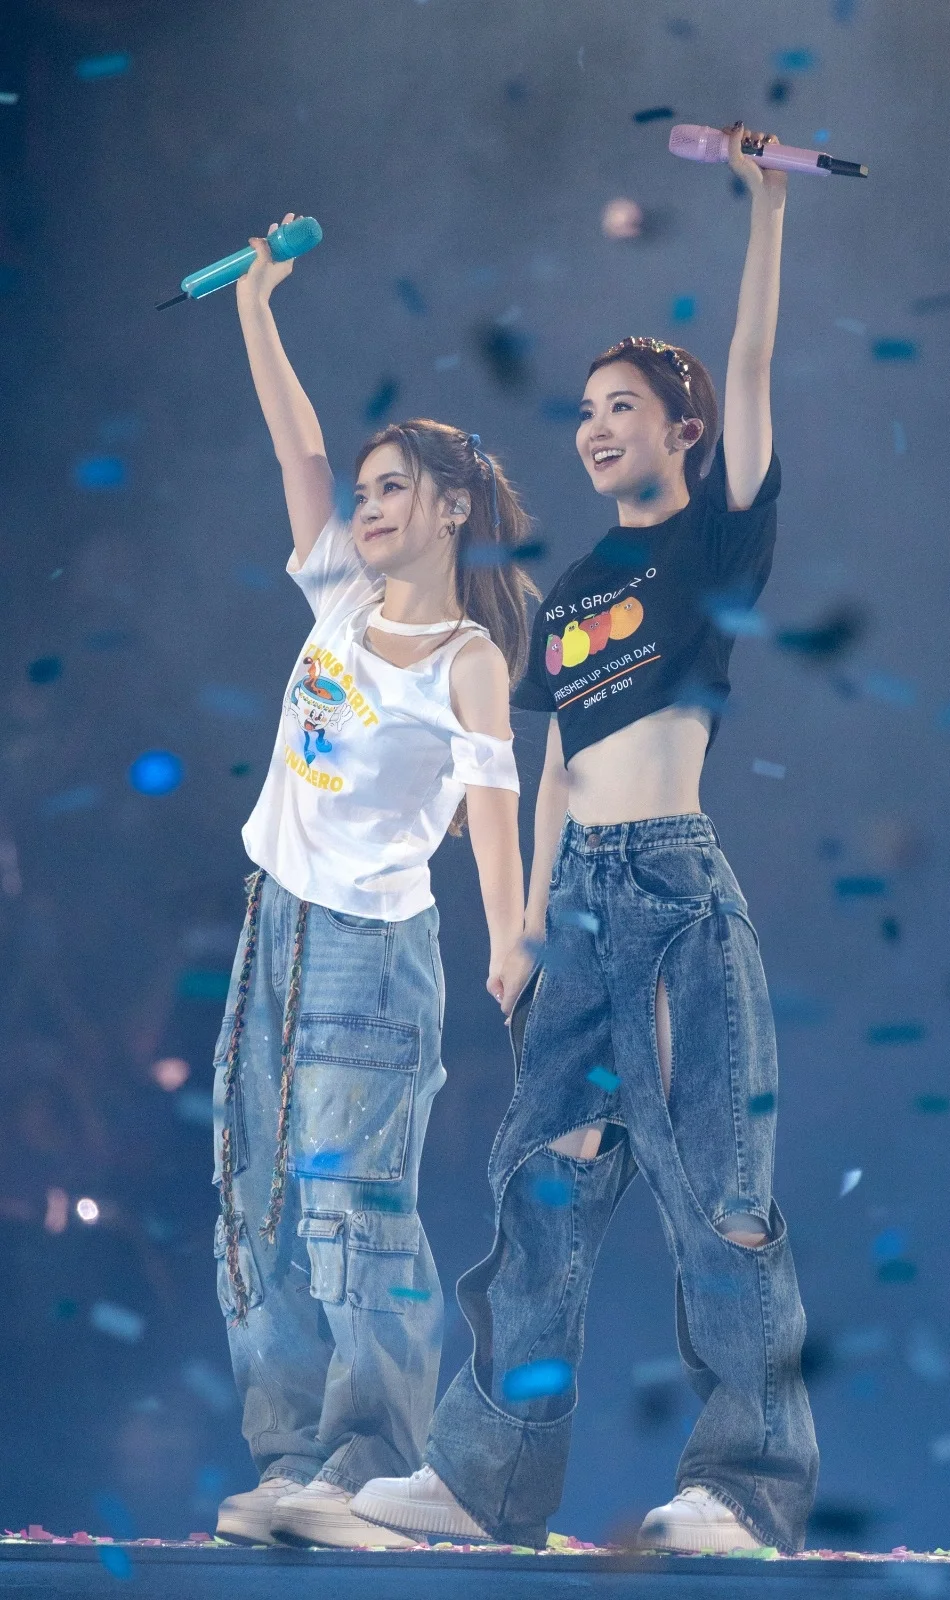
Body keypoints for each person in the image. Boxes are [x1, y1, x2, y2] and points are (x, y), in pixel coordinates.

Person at [351, 125, 819, 1554]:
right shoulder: (570, 590)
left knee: (714, 1199)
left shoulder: (714, 539)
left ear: (684, 434)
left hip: (675, 894)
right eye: (587, 409)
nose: (598, 425)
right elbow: (549, 767)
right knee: (536, 1192)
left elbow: (750, 365)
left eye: (626, 407)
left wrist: (762, 208)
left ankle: (743, 1489)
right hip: (584, 915)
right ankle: (484, 1482)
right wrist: (522, 924)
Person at [210, 216, 535, 1549]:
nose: (367, 503)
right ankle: (291, 1461)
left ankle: (370, 1469)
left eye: (394, 487)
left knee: (357, 1212)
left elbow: (496, 804)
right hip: (273, 928)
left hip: (369, 951)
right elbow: (294, 448)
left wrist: (511, 938)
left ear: (452, 505)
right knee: (256, 1202)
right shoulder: (340, 602)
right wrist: (255, 306)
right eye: (364, 489)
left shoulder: (465, 655)